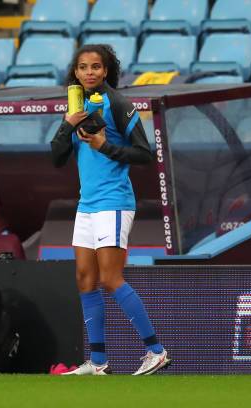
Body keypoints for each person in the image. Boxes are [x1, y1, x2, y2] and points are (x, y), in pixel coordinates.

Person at [50, 44, 170, 375]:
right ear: (75, 72)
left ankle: (155, 351)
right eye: (83, 67)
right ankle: (98, 362)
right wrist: (66, 124)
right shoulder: (76, 106)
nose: (89, 72)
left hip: (114, 201)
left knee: (110, 277)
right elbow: (56, 158)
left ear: (106, 71)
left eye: (96, 67)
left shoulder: (118, 103)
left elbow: (146, 154)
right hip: (86, 204)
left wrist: (106, 146)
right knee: (85, 278)